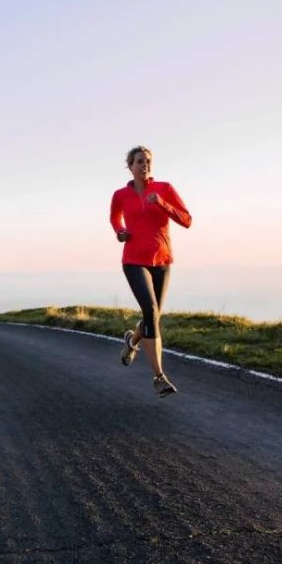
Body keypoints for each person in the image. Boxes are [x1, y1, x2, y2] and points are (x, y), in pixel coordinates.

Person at [109, 145, 192, 397]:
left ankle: (132, 342)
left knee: (152, 317)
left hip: (162, 261)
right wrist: (119, 232)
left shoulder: (164, 189)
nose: (144, 165)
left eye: (147, 161)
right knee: (151, 311)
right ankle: (159, 377)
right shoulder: (120, 194)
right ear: (130, 165)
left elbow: (187, 220)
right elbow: (115, 218)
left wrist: (163, 204)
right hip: (134, 260)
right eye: (139, 161)